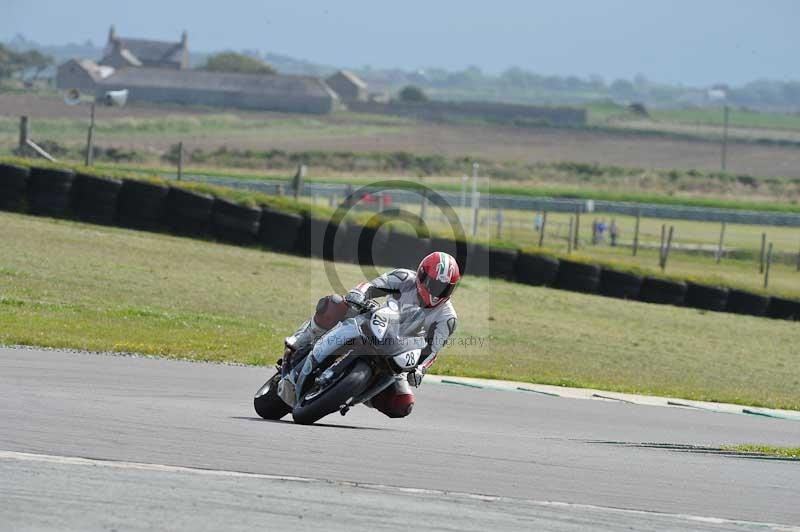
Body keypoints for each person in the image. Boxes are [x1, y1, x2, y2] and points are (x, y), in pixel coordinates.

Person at [284, 251, 461, 418]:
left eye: (445, 289)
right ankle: (301, 339)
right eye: (435, 285)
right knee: (335, 304)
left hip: (399, 351)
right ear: (421, 275)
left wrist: (420, 369)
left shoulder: (447, 318)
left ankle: (358, 391)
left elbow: (432, 350)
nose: (437, 293)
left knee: (402, 404)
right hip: (374, 320)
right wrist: (359, 293)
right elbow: (371, 286)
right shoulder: (405, 278)